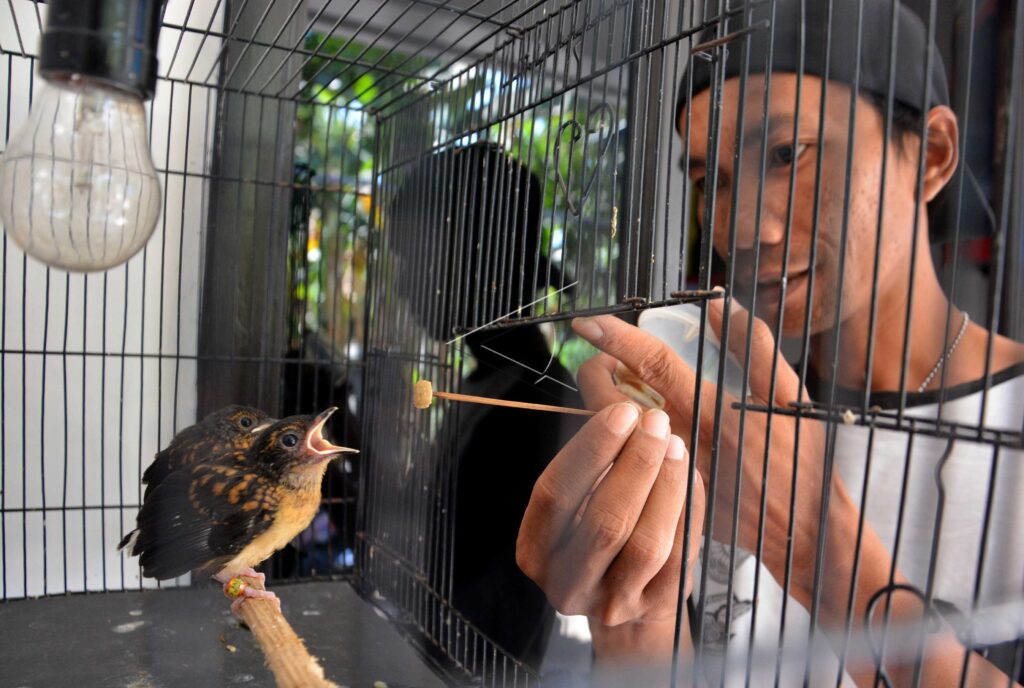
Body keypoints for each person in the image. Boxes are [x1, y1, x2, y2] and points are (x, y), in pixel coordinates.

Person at [515, 1, 1024, 685]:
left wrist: (815, 543)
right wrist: (631, 605)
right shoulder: (721, 409)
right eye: (710, 181)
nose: (743, 228)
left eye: (787, 154)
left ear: (928, 156)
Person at [391, 141, 584, 669]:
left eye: (414, 257)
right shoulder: (492, 380)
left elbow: (500, 621)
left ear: (472, 259)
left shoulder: (536, 406)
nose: (403, 285)